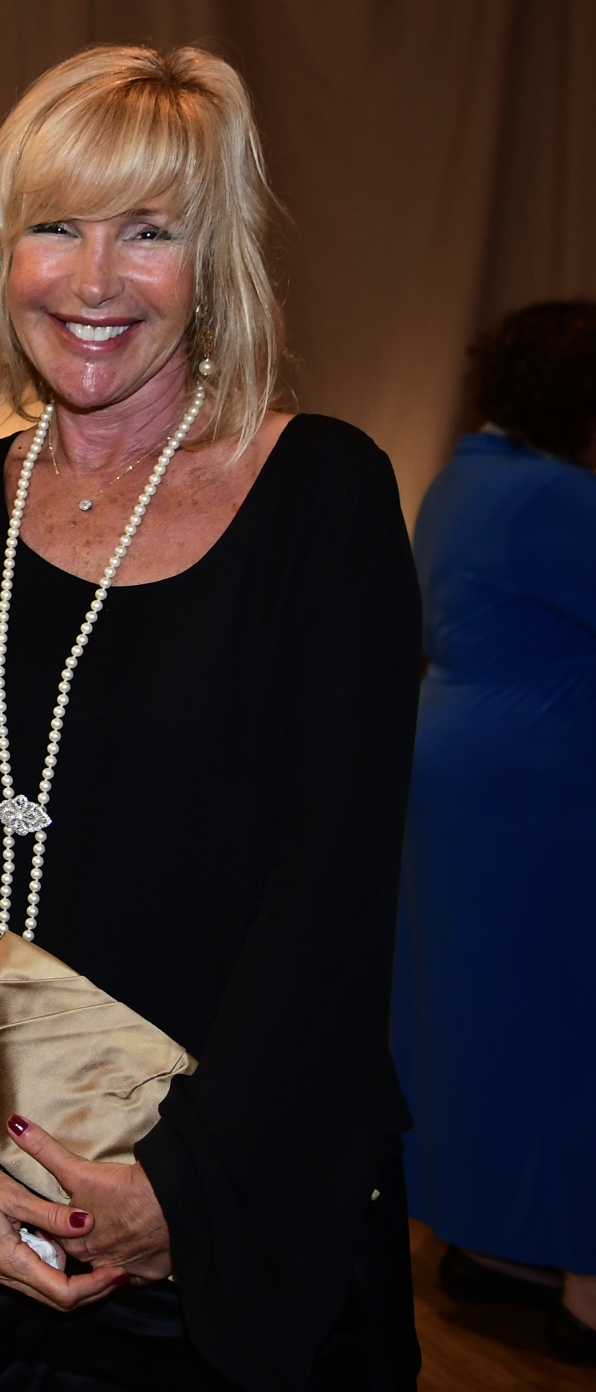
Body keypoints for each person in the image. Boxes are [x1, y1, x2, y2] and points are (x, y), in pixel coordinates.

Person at [0, 45, 423, 1392]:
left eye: (149, 231)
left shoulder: (324, 498)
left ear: (213, 263)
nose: (93, 281)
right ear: (2, 253)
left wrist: (181, 1190)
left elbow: (331, 904)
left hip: (235, 1227)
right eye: (56, 226)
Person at [393, 300, 596, 1365]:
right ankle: (586, 1284)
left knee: (485, 1021)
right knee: (569, 1028)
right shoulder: (555, 496)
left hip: (464, 770)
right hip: (540, 786)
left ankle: (491, 1243)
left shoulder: (464, 478)